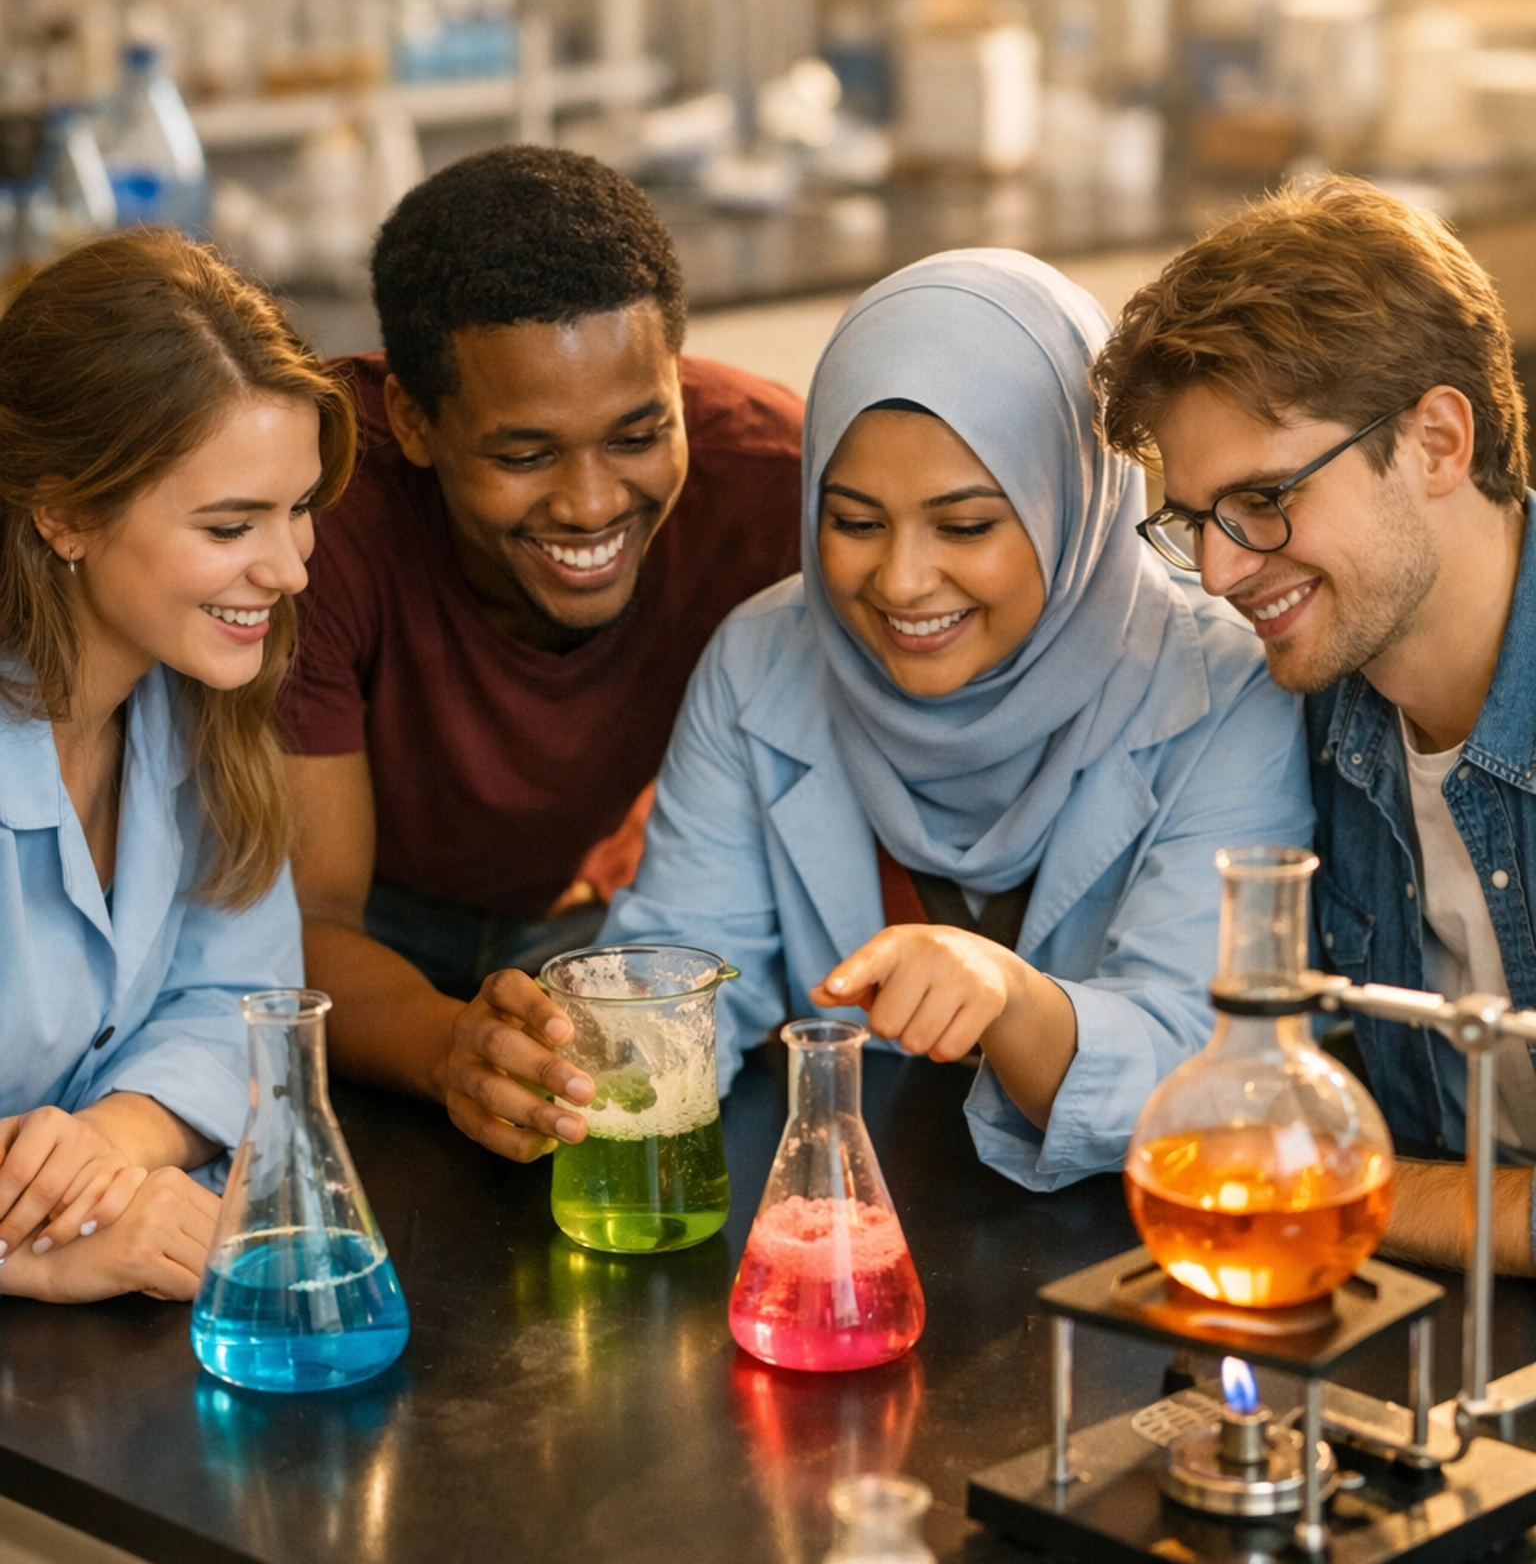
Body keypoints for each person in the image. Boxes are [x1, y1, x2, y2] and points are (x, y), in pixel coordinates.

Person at [457, 250, 1312, 1186]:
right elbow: (690, 985)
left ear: (1077, 503)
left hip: (1138, 1254)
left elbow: (1215, 1074)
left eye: (966, 525)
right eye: (856, 522)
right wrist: (568, 1054)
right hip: (834, 1226)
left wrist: (1012, 1001)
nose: (901, 582)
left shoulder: (1228, 689)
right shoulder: (763, 660)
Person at [281, 146, 802, 1155]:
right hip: (366, 946)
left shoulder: (777, 483)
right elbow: (305, 925)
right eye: (524, 456)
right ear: (413, 421)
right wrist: (451, 1048)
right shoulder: (318, 505)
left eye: (639, 435)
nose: (593, 502)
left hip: (610, 922)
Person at [1093, 175, 1536, 1273]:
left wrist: (1347, 1193)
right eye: (1194, 520)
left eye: (1264, 498)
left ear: (1437, 442)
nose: (1220, 570)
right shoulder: (1293, 707)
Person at [0, 229, 355, 1302]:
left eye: (297, 510)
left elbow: (239, 998)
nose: (289, 568)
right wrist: (38, 1260)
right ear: (63, 512)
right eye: (229, 524)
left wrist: (117, 1135)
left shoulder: (188, 701)